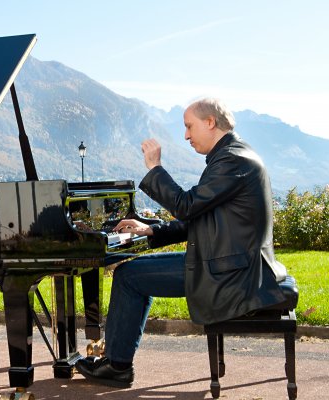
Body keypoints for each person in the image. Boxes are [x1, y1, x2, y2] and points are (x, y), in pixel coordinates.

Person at [75, 97, 288, 388]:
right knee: (133, 273)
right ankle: (116, 360)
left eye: (189, 126)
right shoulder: (232, 156)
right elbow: (197, 217)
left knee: (129, 275)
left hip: (232, 274)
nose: (186, 135)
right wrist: (151, 230)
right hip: (234, 265)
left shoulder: (232, 160)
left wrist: (154, 168)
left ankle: (118, 366)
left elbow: (186, 206)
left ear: (210, 122)